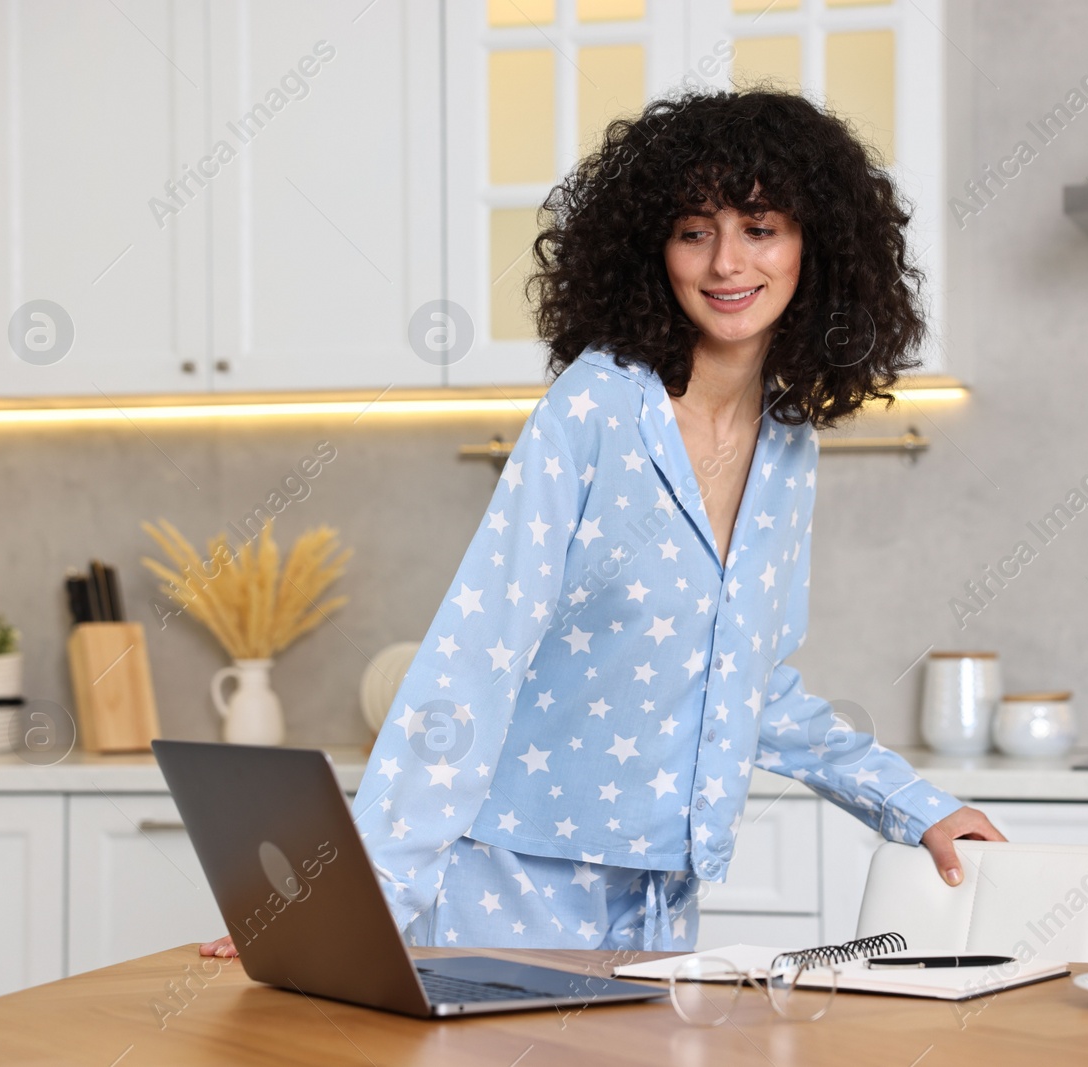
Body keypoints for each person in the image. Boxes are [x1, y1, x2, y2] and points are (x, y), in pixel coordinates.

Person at [203, 87, 1002, 958]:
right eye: (695, 230)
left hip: (662, 889)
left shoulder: (786, 444)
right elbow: (476, 657)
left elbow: (752, 685)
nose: (726, 262)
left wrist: (916, 807)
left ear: (818, 246)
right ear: (652, 249)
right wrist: (351, 900)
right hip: (511, 874)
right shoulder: (595, 406)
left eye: (761, 227)